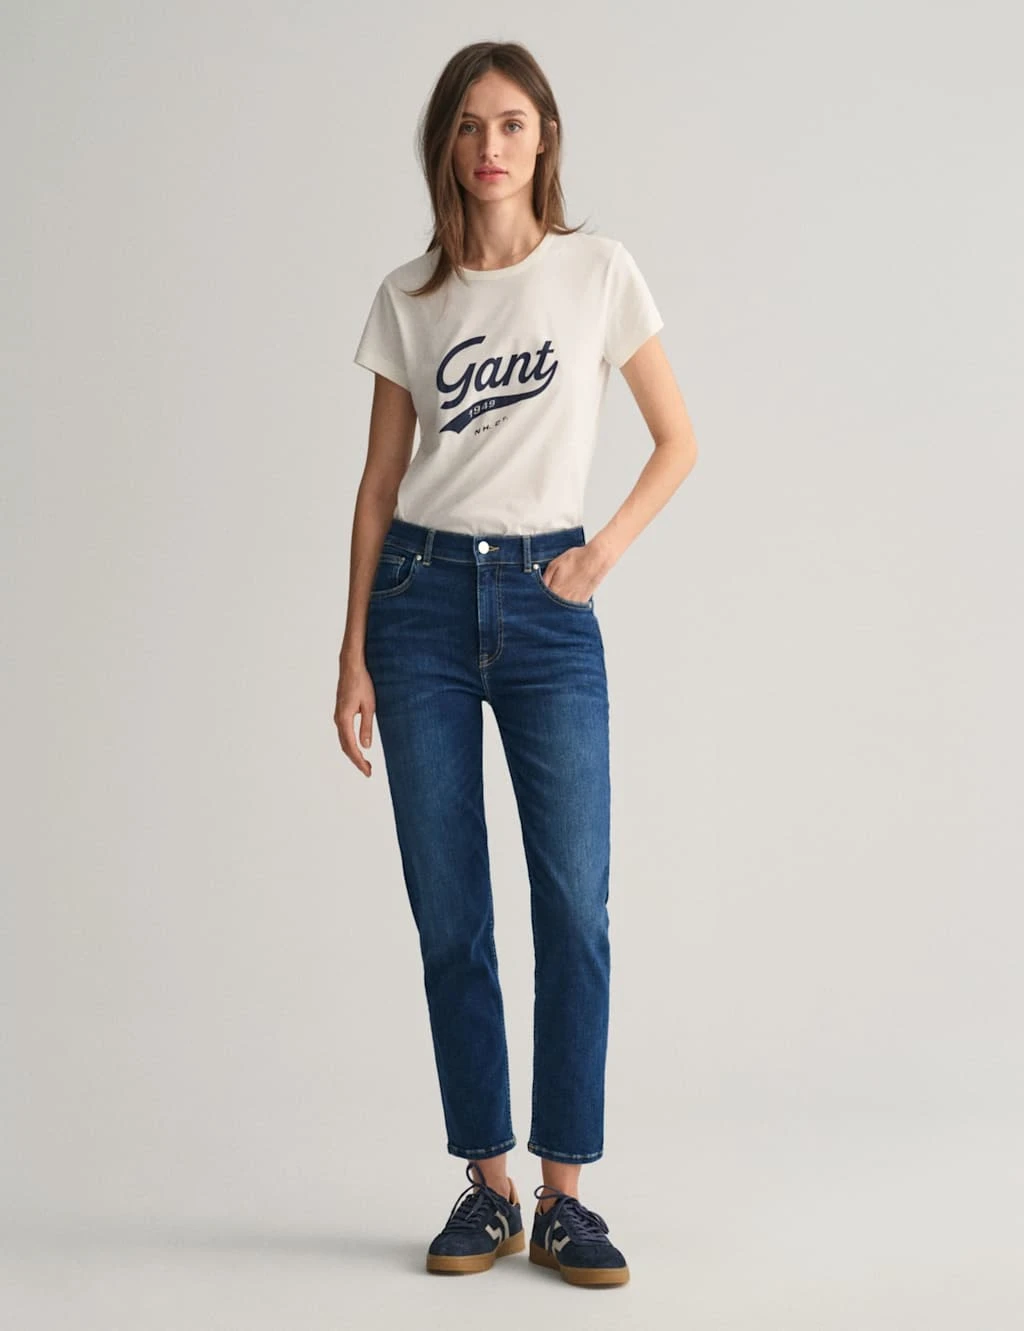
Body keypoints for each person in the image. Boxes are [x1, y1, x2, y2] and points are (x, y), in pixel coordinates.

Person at [335, 40, 697, 1287]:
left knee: (573, 907)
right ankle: (486, 1186)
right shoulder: (410, 296)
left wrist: (600, 554)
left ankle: (564, 1195)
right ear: (444, 144)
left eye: (510, 123)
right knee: (451, 911)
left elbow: (677, 438)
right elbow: (377, 485)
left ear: (544, 138)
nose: (488, 145)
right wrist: (352, 649)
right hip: (419, 605)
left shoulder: (597, 273)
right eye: (467, 125)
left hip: (548, 605)